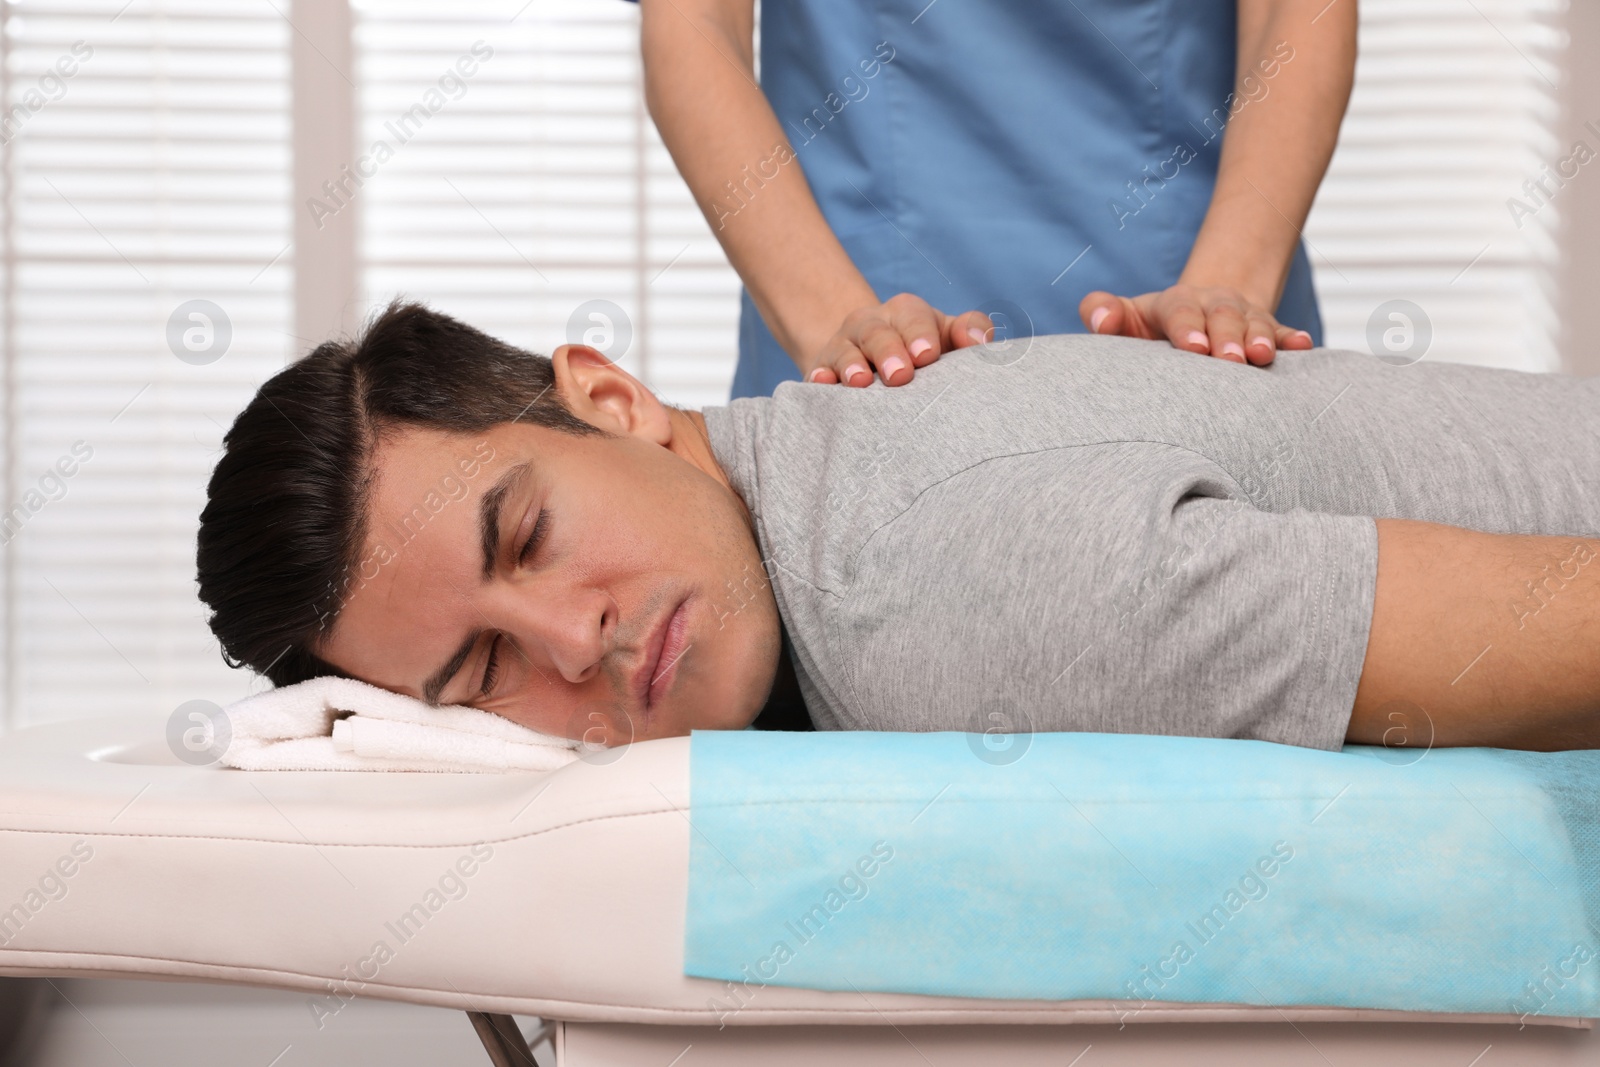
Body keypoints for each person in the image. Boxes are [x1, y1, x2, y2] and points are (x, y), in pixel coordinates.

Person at [197, 303, 1600, 754]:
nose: (576, 643)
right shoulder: (831, 464)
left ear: (610, 398)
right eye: (480, 676)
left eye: (527, 541)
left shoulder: (930, 604)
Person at [639, 0, 1356, 395]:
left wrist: (1227, 291)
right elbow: (694, 23)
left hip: (1202, 319)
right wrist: (840, 329)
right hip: (847, 332)